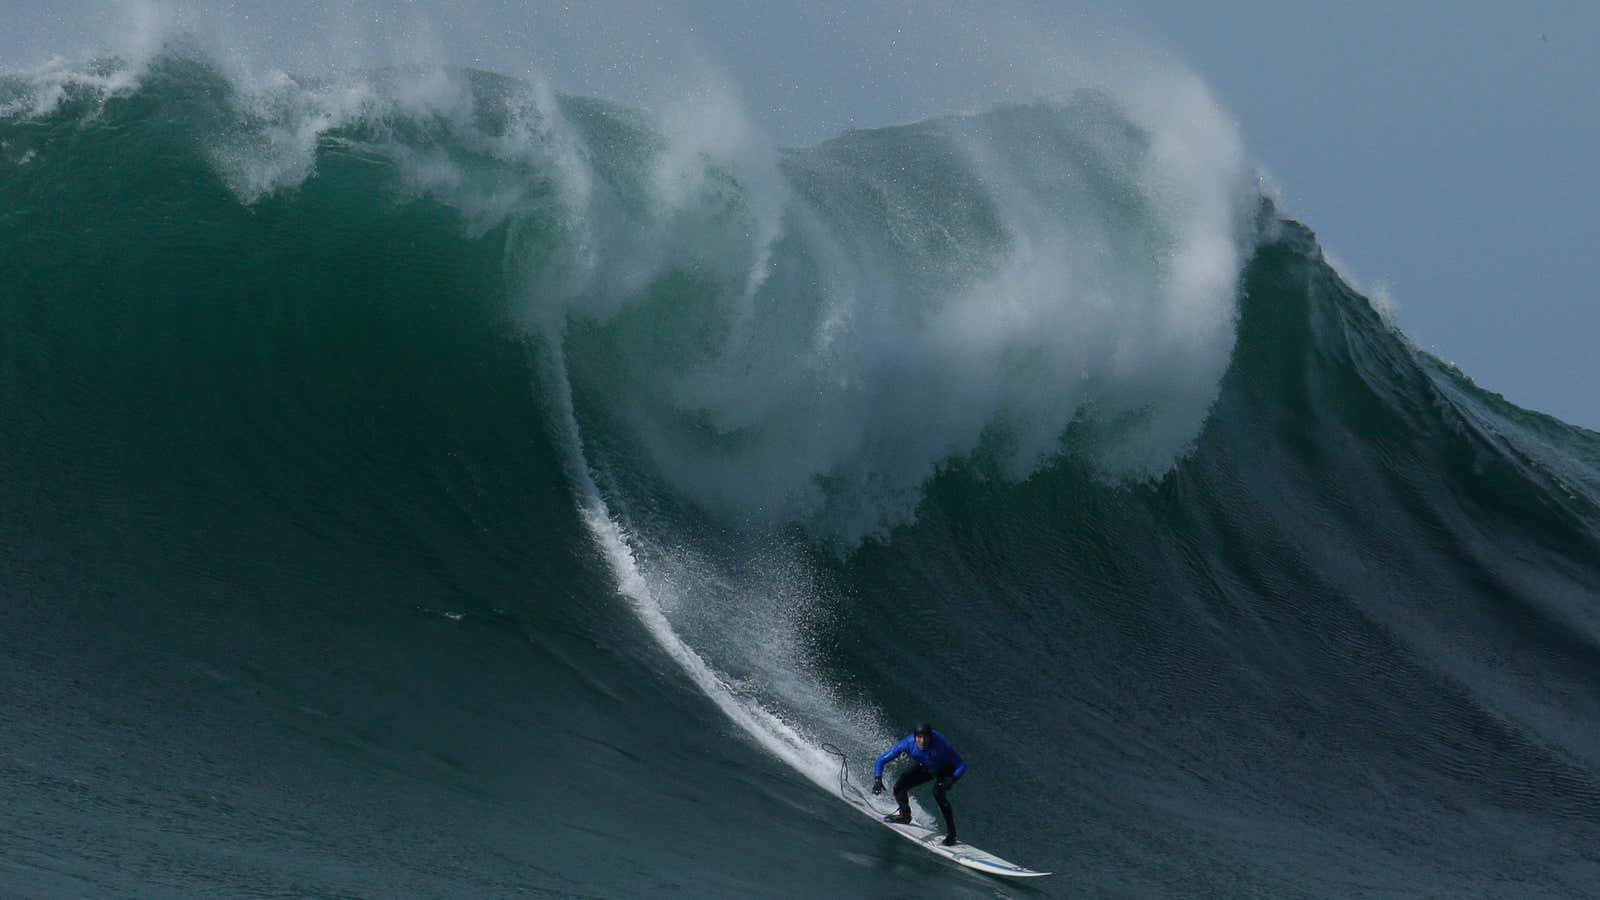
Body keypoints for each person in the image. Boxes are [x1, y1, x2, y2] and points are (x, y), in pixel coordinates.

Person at [872, 722, 966, 845]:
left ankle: (952, 835)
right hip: (927, 767)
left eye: (925, 737)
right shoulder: (907, 744)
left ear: (930, 737)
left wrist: (952, 779)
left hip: (946, 770)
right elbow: (881, 760)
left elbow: (961, 765)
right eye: (919, 737)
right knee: (899, 786)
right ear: (915, 736)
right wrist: (878, 779)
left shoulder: (941, 744)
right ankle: (905, 816)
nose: (922, 741)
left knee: (938, 793)